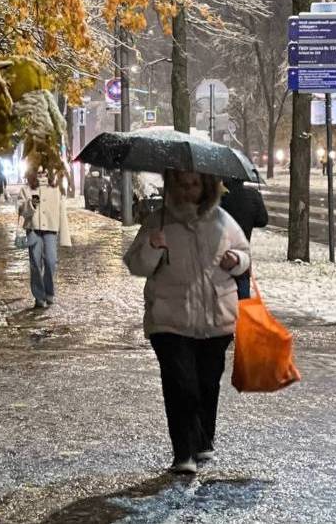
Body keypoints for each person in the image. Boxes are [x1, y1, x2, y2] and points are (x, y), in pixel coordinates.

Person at [124, 169, 251, 475]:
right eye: (180, 184)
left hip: (215, 319)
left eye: (193, 184)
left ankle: (203, 440)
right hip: (170, 320)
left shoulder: (221, 220)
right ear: (171, 186)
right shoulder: (159, 220)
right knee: (181, 384)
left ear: (205, 186)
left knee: (207, 384)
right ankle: (184, 453)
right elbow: (136, 264)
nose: (186, 190)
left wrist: (236, 259)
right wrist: (153, 247)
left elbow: (245, 254)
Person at [18, 164, 72, 309]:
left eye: (44, 172)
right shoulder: (26, 188)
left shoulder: (55, 189)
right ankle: (39, 296)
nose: (41, 175)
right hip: (33, 230)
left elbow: (62, 213)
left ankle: (49, 292)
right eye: (39, 172)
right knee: (35, 263)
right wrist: (30, 205)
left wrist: (65, 238)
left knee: (51, 261)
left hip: (51, 230)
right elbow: (21, 211)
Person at [219, 177, 268, 299]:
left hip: (219, 252)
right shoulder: (252, 194)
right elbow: (262, 221)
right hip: (242, 252)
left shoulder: (219, 196)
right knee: (242, 290)